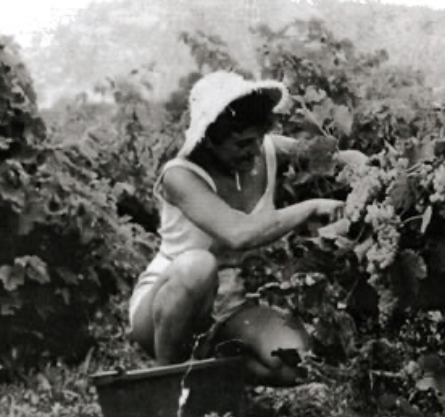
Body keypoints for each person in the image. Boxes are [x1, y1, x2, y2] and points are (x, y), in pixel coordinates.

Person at [128, 71, 345, 386]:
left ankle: (208, 377)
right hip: (170, 306)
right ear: (210, 139)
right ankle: (169, 385)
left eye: (259, 138)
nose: (255, 150)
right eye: (242, 143)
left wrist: (360, 166)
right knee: (198, 266)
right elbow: (238, 233)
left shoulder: (263, 150)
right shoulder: (180, 175)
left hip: (232, 308)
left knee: (292, 362)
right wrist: (310, 207)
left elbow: (321, 155)